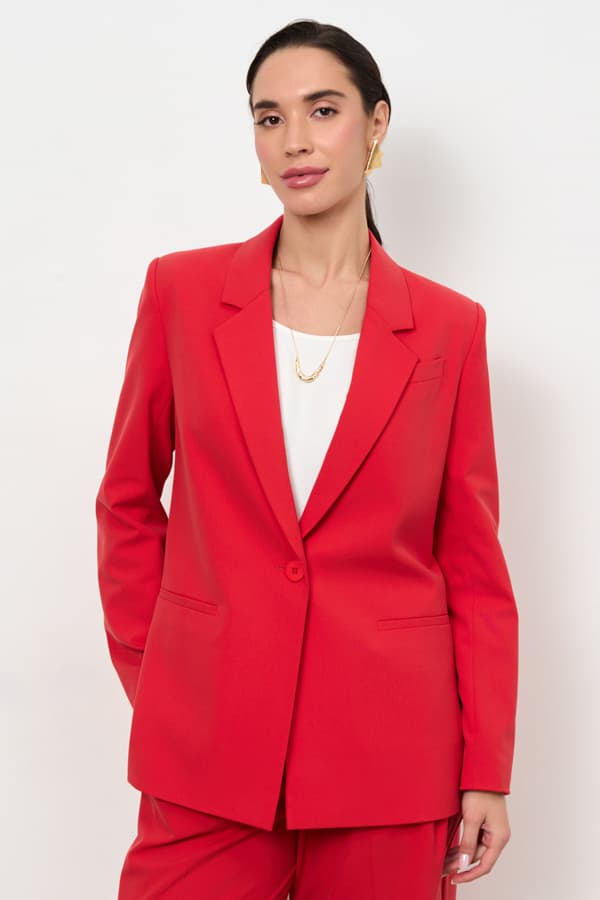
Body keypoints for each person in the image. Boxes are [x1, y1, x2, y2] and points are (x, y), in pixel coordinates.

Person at [95, 18, 519, 900]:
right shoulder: (180, 294)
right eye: (269, 117)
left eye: (323, 110)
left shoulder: (451, 329)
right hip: (208, 750)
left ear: (376, 125)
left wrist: (486, 768)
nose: (294, 139)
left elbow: (473, 565)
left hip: (390, 759)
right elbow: (127, 501)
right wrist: (165, 678)